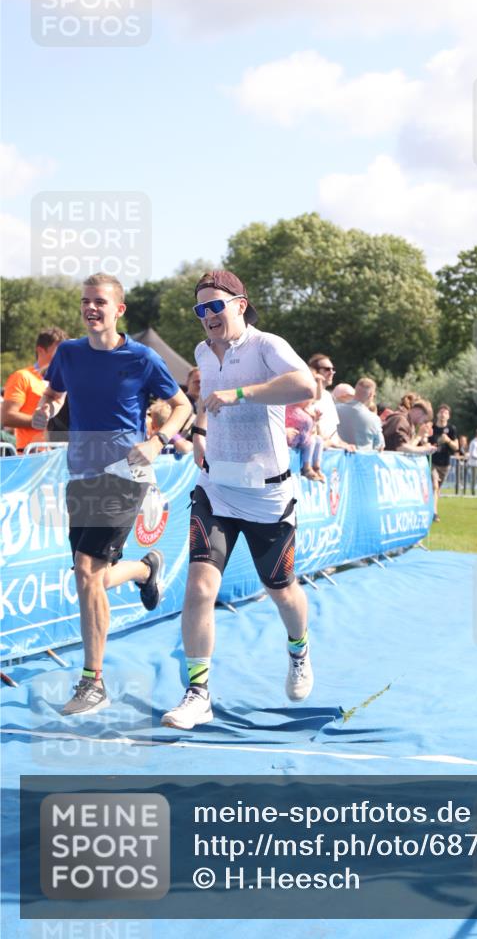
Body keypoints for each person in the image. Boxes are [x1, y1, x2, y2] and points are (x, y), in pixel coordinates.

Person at [161, 269, 317, 731]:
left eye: (216, 306)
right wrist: (202, 434)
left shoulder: (267, 345)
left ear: (240, 305)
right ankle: (198, 693)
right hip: (216, 489)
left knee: (281, 591)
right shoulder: (201, 352)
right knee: (200, 587)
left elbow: (306, 386)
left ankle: (299, 650)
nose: (207, 316)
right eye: (200, 309)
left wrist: (243, 393)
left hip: (269, 494)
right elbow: (211, 399)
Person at [32, 274, 191, 716]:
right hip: (80, 472)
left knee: (86, 570)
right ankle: (144, 568)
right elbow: (54, 392)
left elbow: (183, 406)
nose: (91, 308)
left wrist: (158, 442)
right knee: (92, 579)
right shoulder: (68, 353)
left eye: (100, 301)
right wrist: (46, 407)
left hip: (126, 473)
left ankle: (93, 682)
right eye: (85, 301)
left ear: (118, 310)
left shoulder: (142, 358)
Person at [1, 327, 68, 452]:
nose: (62, 356)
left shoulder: (65, 378)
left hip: (59, 456)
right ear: (40, 350)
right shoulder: (22, 377)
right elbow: (6, 417)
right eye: (58, 351)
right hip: (32, 456)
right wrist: (43, 421)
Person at [307, 354, 355, 452]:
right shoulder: (306, 396)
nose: (332, 372)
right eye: (327, 369)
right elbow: (310, 432)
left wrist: (344, 444)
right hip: (314, 453)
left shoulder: (328, 396)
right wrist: (331, 443)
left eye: (333, 369)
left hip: (330, 456)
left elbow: (333, 433)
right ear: (315, 371)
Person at [336, 377, 384, 451]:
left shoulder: (336, 409)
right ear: (371, 395)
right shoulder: (374, 419)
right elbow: (380, 446)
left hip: (338, 460)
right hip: (363, 461)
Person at [286, 399, 325, 482]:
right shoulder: (290, 408)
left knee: (318, 440)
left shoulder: (304, 411)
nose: (309, 402)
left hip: (301, 437)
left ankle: (316, 467)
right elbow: (305, 427)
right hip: (293, 438)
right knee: (312, 441)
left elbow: (310, 429)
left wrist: (315, 420)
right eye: (307, 400)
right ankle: (306, 468)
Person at [431, 404, 458, 520]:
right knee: (434, 486)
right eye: (441, 412)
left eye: (445, 413)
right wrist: (436, 443)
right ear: (437, 414)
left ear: (449, 416)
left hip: (445, 464)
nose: (443, 414)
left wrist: (448, 440)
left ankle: (430, 508)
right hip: (432, 462)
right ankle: (434, 513)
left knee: (437, 489)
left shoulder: (451, 429)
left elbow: (456, 447)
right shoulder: (431, 427)